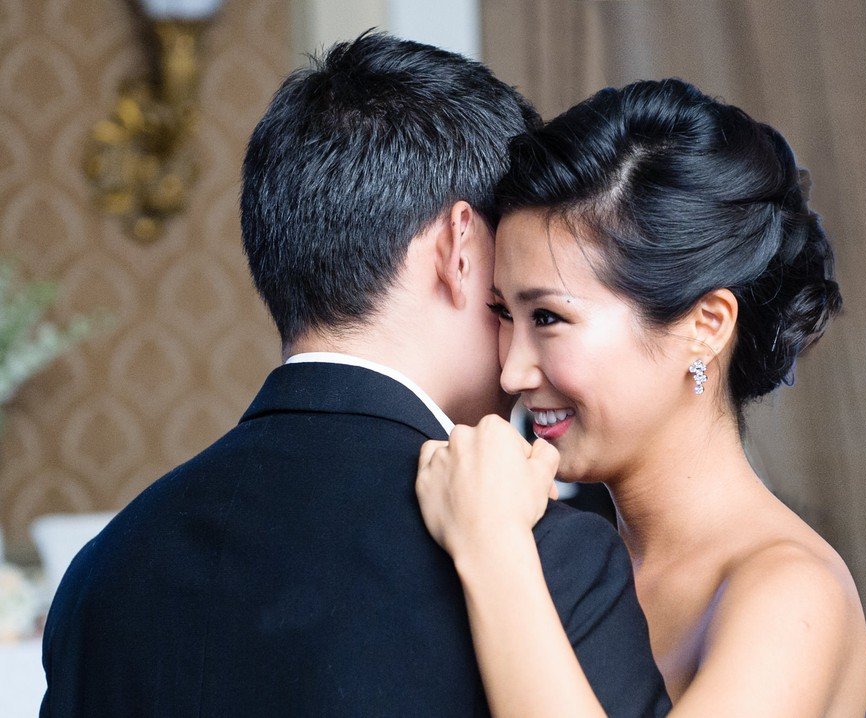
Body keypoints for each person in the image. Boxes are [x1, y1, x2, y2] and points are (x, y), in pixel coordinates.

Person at [39, 33, 670, 716]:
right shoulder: (543, 555)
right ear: (459, 248)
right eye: (511, 273)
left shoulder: (103, 572)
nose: (523, 346)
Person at [416, 79, 866, 716]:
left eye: (547, 317)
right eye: (502, 315)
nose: (513, 372)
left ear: (705, 326)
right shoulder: (564, 548)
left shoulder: (791, 591)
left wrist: (491, 547)